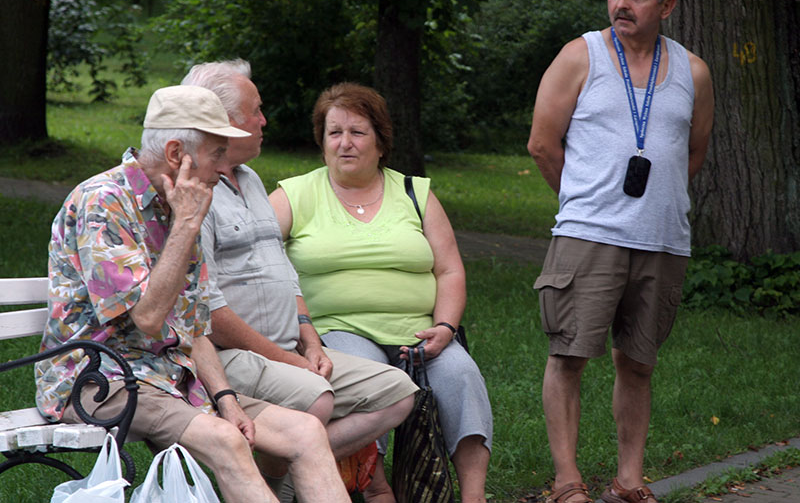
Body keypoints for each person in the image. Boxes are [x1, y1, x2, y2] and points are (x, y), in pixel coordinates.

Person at [35, 85, 350, 503]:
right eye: (217, 153)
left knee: (307, 431)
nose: (224, 168)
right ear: (175, 154)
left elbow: (194, 325)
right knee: (227, 441)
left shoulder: (179, 208)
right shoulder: (103, 203)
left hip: (171, 378)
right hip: (99, 377)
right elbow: (146, 320)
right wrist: (185, 226)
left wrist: (226, 398)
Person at [181, 60, 418, 502]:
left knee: (398, 392)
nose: (264, 120)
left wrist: (308, 338)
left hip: (289, 350)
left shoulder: (250, 180)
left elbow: (283, 270)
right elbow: (205, 311)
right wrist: (288, 361)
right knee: (315, 397)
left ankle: (284, 476)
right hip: (233, 357)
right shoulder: (196, 190)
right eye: (256, 110)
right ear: (225, 121)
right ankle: (284, 482)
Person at [527, 0, 714, 503]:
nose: (621, 5)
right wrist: (586, 201)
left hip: (661, 241)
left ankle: (629, 481)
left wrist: (653, 205)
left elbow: (693, 152)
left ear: (667, 6)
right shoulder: (579, 56)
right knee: (569, 355)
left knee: (638, 361)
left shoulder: (693, 71)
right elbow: (542, 144)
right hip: (589, 236)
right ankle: (567, 482)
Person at [269, 82, 493, 503]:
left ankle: (474, 497)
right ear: (322, 142)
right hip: (340, 330)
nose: (345, 143)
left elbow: (449, 270)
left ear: (381, 142)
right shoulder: (295, 195)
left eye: (358, 132)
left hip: (420, 333)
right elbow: (255, 254)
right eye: (335, 133)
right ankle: (375, 490)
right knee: (368, 381)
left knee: (462, 377)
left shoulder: (414, 193)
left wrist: (445, 327)